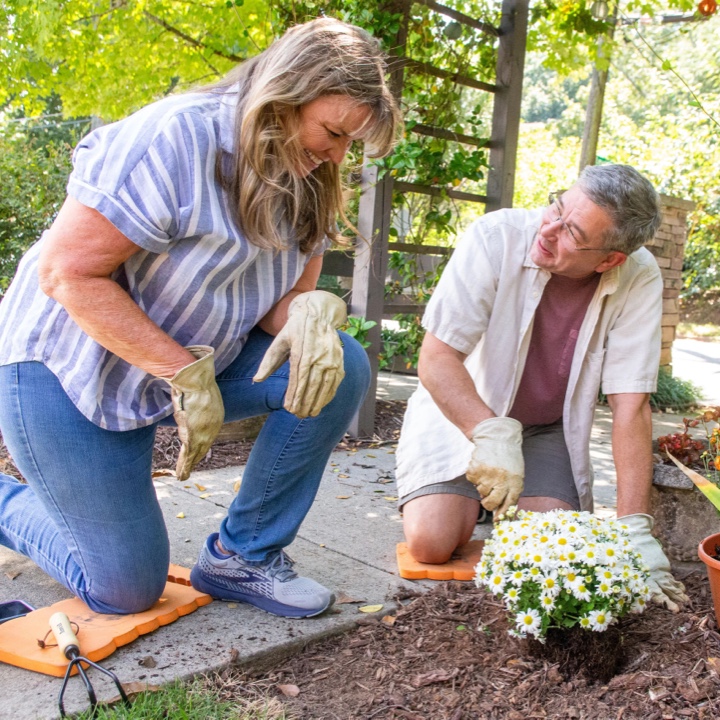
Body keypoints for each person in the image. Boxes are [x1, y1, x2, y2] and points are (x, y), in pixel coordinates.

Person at [0, 18, 401, 619]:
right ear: (285, 92)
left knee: (338, 364)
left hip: (189, 368)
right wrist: (184, 375)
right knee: (126, 591)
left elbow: (278, 316)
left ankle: (244, 557)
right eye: (333, 132)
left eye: (351, 143)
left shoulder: (308, 175)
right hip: (69, 373)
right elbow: (66, 275)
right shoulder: (174, 138)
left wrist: (317, 312)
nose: (336, 156)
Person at [395, 163, 689, 612]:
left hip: (544, 429)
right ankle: (465, 498)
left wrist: (634, 529)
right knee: (431, 543)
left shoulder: (639, 275)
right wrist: (490, 434)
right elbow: (436, 359)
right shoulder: (496, 237)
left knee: (555, 550)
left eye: (571, 232)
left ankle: (493, 502)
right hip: (464, 418)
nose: (548, 229)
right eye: (557, 206)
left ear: (610, 260)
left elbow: (631, 405)